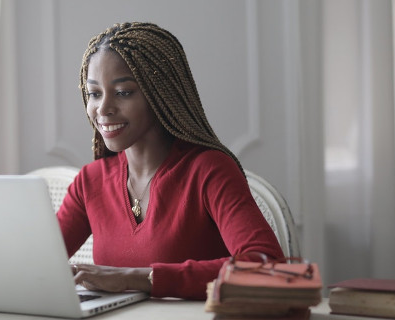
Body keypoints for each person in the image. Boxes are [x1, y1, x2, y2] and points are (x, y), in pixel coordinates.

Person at [56, 22, 284, 300]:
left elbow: (267, 267)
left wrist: (137, 278)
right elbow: (36, 264)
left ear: (160, 93)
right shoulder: (90, 181)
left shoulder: (209, 170)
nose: (103, 109)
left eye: (123, 92)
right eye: (94, 93)